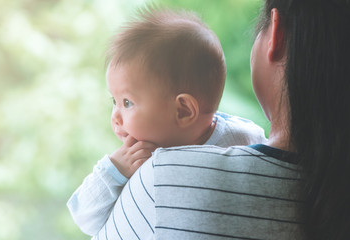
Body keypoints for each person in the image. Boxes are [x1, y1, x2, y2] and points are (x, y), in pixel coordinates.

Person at [92, 0, 350, 239]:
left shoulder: (164, 177)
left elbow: (88, 218)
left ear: (276, 35)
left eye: (127, 102)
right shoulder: (333, 195)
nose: (115, 116)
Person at [66, 9, 267, 236]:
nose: (115, 115)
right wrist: (115, 171)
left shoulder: (243, 139)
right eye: (115, 101)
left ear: (183, 111)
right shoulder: (134, 160)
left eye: (127, 102)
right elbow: (84, 218)